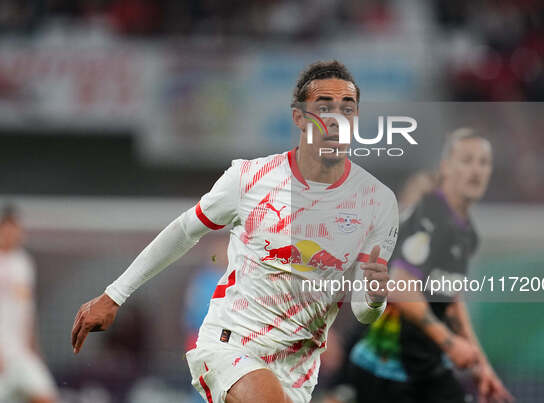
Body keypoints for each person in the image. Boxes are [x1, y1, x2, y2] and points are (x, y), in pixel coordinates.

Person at [71, 60, 399, 403]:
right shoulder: (250, 178)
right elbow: (185, 230)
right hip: (231, 345)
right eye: (324, 107)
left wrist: (375, 297)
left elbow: (364, 309)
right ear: (299, 117)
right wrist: (114, 295)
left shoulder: (377, 202)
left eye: (347, 108)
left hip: (298, 367)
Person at [348, 128, 514, 403]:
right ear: (446, 167)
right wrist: (450, 344)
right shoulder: (429, 214)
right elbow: (400, 288)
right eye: (467, 160)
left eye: (483, 162)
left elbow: (451, 301)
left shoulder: (466, 232)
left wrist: (481, 366)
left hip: (425, 366)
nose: (476, 170)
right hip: (388, 371)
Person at [0, 205, 58, 403]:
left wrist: (34, 348)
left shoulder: (23, 263)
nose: (15, 233)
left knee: (45, 396)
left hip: (21, 353)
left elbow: (27, 312)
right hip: (2, 353)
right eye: (10, 228)